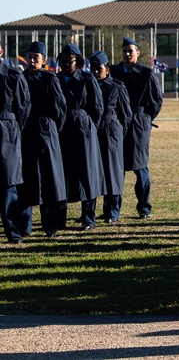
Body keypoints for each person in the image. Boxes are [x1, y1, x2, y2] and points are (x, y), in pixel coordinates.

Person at [16, 42, 67, 238]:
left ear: (44, 60)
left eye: (36, 58)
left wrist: (52, 130)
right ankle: (25, 225)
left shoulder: (50, 79)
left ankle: (50, 225)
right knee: (26, 178)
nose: (31, 61)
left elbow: (60, 109)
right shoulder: (20, 78)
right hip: (26, 133)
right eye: (29, 57)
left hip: (46, 133)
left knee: (48, 179)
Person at [110, 36, 162, 219]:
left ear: (137, 53)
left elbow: (156, 101)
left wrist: (145, 119)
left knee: (140, 168)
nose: (127, 54)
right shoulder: (114, 72)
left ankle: (144, 207)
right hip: (117, 124)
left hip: (138, 124)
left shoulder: (146, 74)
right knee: (116, 167)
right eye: (124, 51)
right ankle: (113, 210)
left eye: (130, 51)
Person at [56, 43, 105, 230]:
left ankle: (88, 217)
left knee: (87, 174)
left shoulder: (87, 79)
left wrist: (89, 126)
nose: (67, 64)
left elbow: (97, 107)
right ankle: (60, 217)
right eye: (64, 61)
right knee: (63, 174)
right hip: (63, 130)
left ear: (78, 61)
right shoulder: (57, 79)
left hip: (84, 130)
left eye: (71, 61)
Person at [90, 51, 131, 223]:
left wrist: (117, 133)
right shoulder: (89, 85)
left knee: (112, 172)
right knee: (95, 172)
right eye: (93, 68)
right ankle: (94, 210)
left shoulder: (117, 87)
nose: (95, 72)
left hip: (111, 133)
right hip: (93, 133)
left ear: (107, 69)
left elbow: (126, 116)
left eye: (98, 69)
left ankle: (113, 210)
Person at [0, 42, 30, 244]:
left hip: (6, 131)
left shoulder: (12, 75)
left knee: (8, 184)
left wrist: (11, 128)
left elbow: (23, 107)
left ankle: (13, 231)